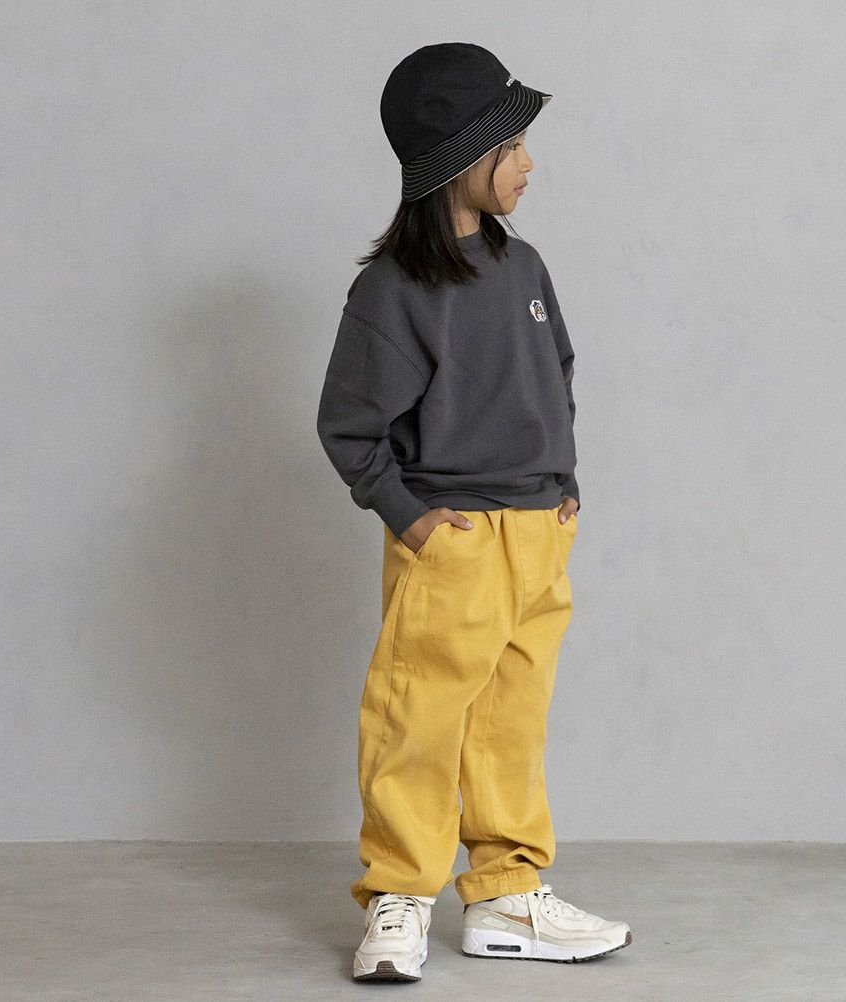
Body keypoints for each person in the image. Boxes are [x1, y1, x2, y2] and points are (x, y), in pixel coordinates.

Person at [316, 41, 632, 983]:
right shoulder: (394, 291)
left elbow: (556, 374)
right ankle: (399, 897)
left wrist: (564, 486)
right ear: (461, 157)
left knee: (510, 722)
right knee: (417, 717)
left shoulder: (523, 268)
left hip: (539, 534)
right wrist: (410, 518)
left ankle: (504, 896)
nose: (530, 163)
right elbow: (349, 426)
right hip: (452, 538)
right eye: (513, 145)